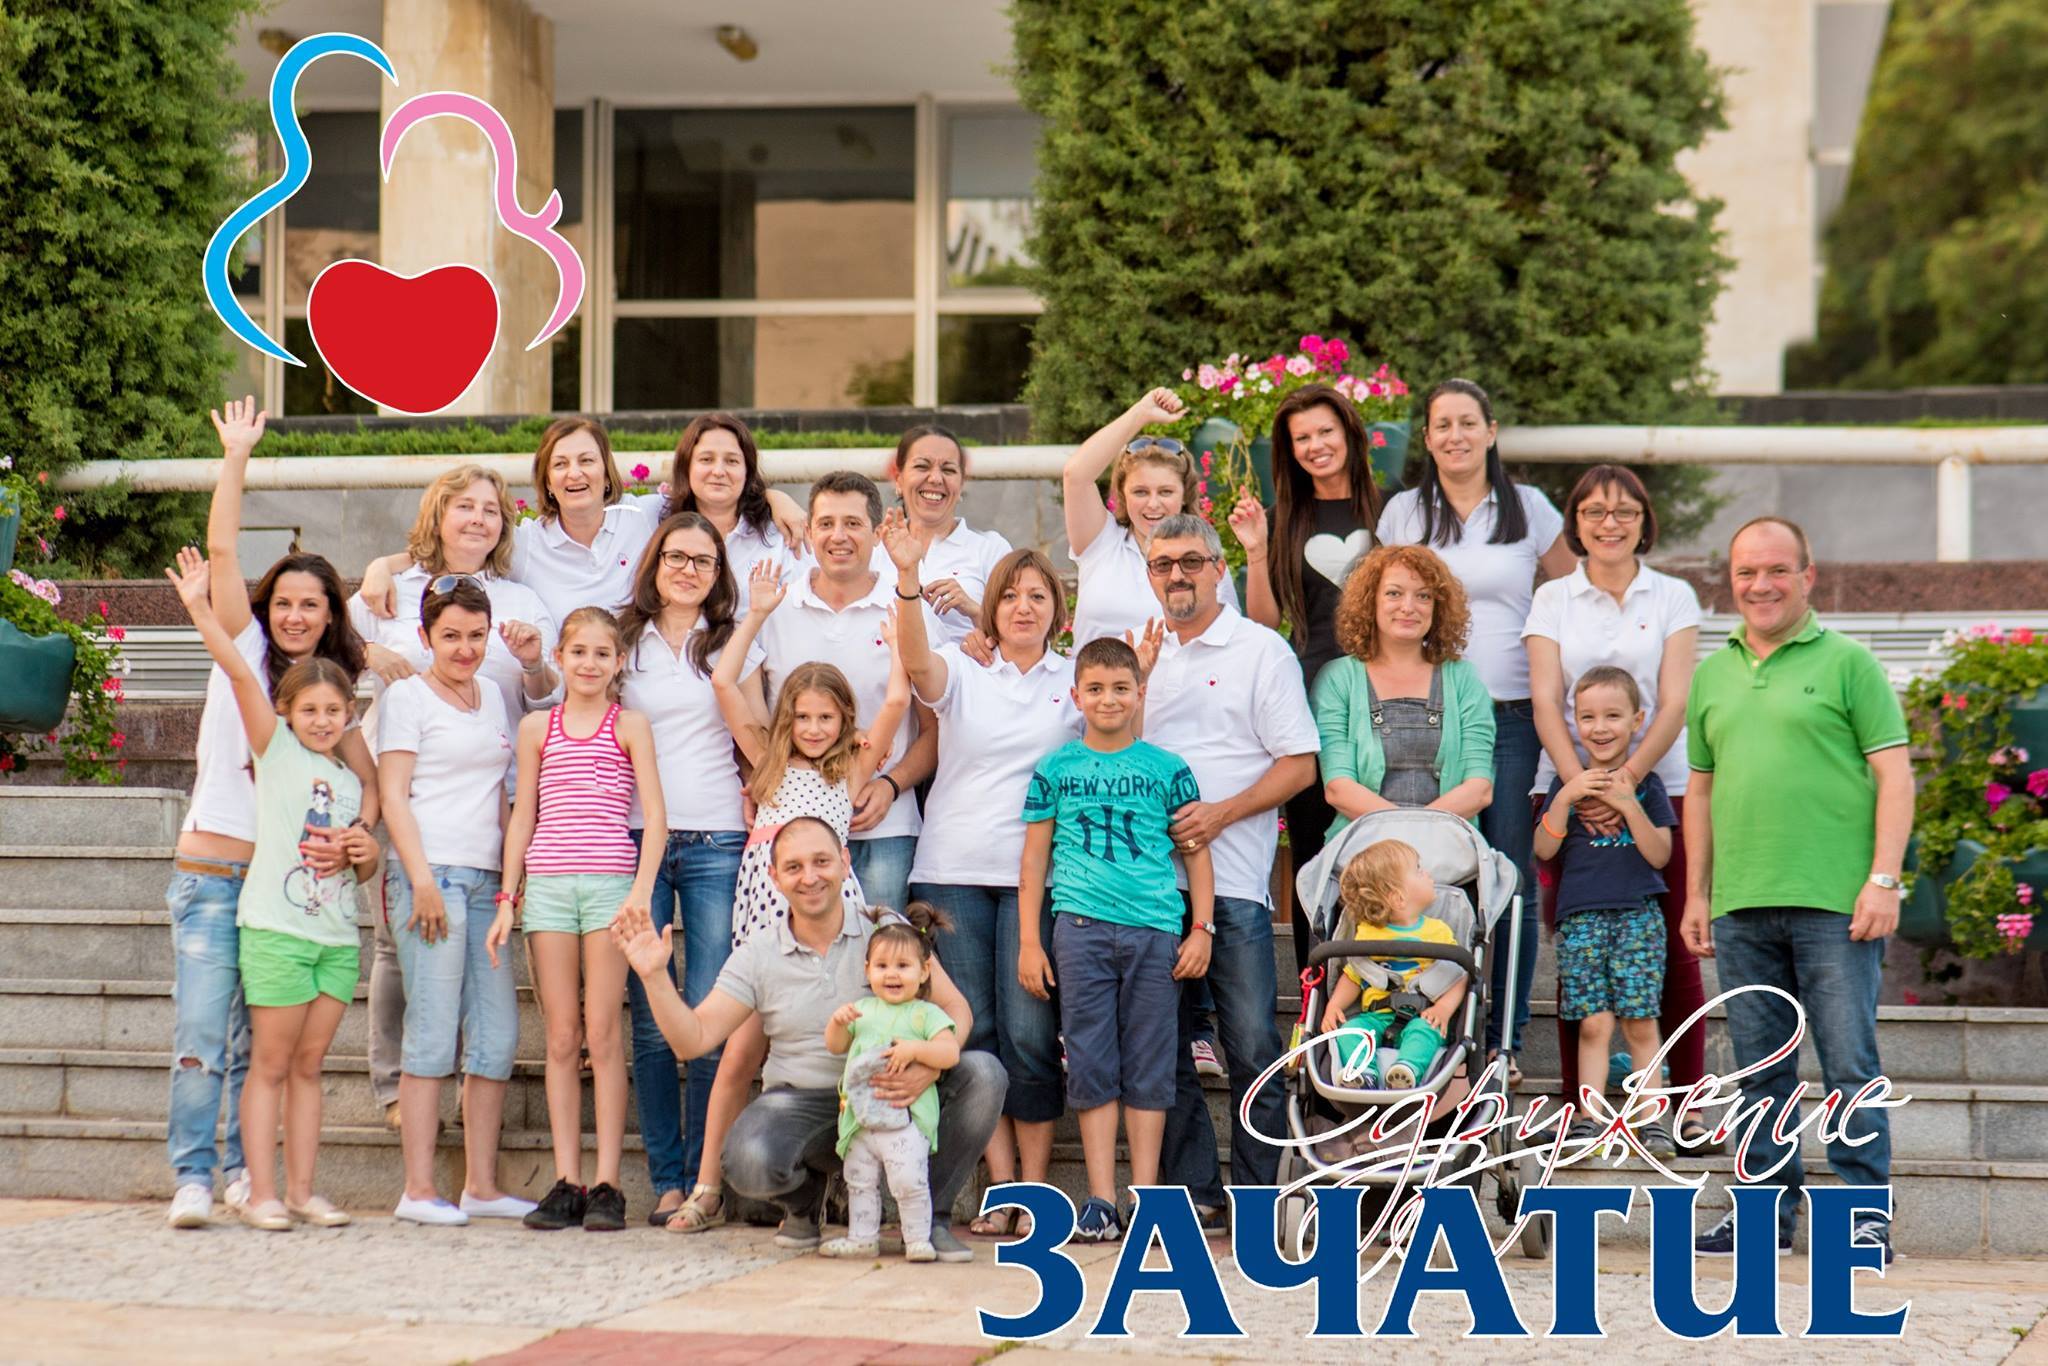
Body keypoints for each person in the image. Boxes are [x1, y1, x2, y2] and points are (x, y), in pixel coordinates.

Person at [613, 816, 1006, 1264]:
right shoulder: (758, 953)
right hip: (805, 1105)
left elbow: (957, 1009)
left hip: (893, 1091)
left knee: (984, 1074)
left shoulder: (883, 927)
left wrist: (929, 1065)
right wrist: (654, 977)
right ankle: (804, 1203)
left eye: (821, 861)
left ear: (844, 862)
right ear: (774, 876)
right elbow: (694, 1039)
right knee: (748, 1157)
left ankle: (929, 1218)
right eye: (794, 867)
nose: (810, 877)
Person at [165, 398, 372, 1231]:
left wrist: (361, 840)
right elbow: (222, 550)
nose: (294, 615)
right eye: (283, 601)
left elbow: (369, 787)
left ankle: (249, 1179)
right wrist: (236, 456)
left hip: (292, 896)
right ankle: (193, 1175)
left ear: (329, 615)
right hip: (216, 873)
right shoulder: (247, 654)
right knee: (202, 1036)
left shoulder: (329, 705)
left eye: (311, 605)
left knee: (263, 1048)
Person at [1681, 517, 1910, 1264]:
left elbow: (1895, 776)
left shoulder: (1850, 664)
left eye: (1777, 569)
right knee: (1759, 1072)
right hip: (1742, 904)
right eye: (1747, 572)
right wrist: (1697, 894)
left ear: (1808, 576)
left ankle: (1863, 1217)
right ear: (1731, 581)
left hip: (1836, 904)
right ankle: (1765, 1219)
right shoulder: (1713, 674)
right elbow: (1700, 791)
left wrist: (1883, 879)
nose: (1761, 585)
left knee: (1849, 1065)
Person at [883, 515, 1080, 1225]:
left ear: (1058, 612)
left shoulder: (1075, 680)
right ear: (990, 609)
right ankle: (1002, 1190)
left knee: (1031, 1035)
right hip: (952, 871)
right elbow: (917, 663)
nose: (1023, 607)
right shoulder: (963, 667)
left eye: (1038, 596)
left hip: (1040, 881)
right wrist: (908, 576)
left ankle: (1036, 1189)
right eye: (1011, 596)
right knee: (976, 1033)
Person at [352, 465, 559, 1128]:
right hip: (403, 789)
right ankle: (395, 1087)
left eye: (491, 510)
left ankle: (473, 1079)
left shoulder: (521, 598)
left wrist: (532, 661)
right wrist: (368, 651)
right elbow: (331, 640)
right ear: (438, 515)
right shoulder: (393, 586)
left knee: (477, 953)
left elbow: (546, 696)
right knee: (397, 945)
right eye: (464, 506)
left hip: (491, 791)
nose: (478, 519)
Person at [1376, 379, 1572, 1069]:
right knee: (1433, 871)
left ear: (1491, 431)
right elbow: (1383, 603)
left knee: (1508, 875)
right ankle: (1432, 1026)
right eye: (1441, 425)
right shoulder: (1405, 512)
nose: (1455, 436)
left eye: (1468, 423)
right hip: (1429, 715)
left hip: (1515, 717)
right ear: (1427, 438)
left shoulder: (1531, 509)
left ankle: (1502, 1039)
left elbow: (1569, 597)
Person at [1131, 515, 1318, 1233]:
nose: (1176, 575)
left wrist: (1221, 814)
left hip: (1234, 883)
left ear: (1218, 568)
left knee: (1253, 1047)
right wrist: (1140, 681)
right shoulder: (1140, 652)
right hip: (1148, 888)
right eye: (1162, 564)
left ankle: (1258, 1198)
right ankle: (1198, 1192)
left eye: (1190, 561)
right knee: (1161, 1048)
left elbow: (1299, 766)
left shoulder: (1259, 650)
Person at [1523, 463, 1708, 1145]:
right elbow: (1546, 700)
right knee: (1576, 946)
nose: (1610, 523)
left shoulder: (1673, 596)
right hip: (1565, 786)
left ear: (1643, 520)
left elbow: (1676, 700)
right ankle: (1583, 1107)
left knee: (1671, 949)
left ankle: (1683, 1103)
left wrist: (1626, 780)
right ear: (1575, 522)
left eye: (1624, 511)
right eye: (1594, 511)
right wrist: (1580, 784)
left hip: (1658, 784)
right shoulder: (1554, 598)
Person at [1019, 636, 1214, 1244]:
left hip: (1155, 929)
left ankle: (1147, 1198)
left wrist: (1202, 928)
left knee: (1151, 1062)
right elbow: (1034, 861)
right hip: (1079, 928)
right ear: (1075, 695)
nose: (1108, 699)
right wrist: (1029, 941)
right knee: (1091, 1060)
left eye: (1121, 688)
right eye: (1096, 689)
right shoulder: (1056, 768)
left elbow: (1196, 853)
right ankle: (1102, 1198)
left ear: (1140, 693)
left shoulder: (1167, 769)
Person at [490, 607, 667, 1233]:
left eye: (602, 653)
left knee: (604, 1033)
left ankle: (609, 1182)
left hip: (610, 889)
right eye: (578, 652)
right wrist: (508, 898)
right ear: (559, 658)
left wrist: (640, 893)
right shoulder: (537, 727)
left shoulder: (630, 725)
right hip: (548, 889)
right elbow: (523, 816)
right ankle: (566, 1179)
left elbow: (656, 818)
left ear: (618, 663)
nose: (589, 663)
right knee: (562, 1037)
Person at [615, 513, 762, 1229]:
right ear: (655, 561)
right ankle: (667, 1180)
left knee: (707, 1008)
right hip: (637, 840)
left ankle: (708, 1180)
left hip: (717, 838)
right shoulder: (623, 639)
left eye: (703, 560)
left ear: (718, 572)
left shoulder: (732, 639)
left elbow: (755, 732)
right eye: (676, 556)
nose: (687, 569)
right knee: (650, 1021)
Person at [375, 578, 533, 1226]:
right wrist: (420, 882)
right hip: (429, 876)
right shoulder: (407, 697)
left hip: (485, 879)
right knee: (434, 1031)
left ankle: (481, 1187)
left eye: (476, 635)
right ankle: (417, 1190)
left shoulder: (492, 694)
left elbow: (500, 795)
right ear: (425, 637)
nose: (465, 649)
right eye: (450, 637)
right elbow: (393, 795)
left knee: (496, 1035)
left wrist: (510, 885)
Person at [1230, 384, 1385, 959]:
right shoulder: (1283, 519)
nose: (1316, 445)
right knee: (1316, 848)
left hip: (1390, 693)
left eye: (1325, 431)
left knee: (1384, 841)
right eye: (1302, 438)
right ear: (1289, 451)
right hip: (1312, 697)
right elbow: (1264, 621)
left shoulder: (1392, 509)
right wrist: (1256, 550)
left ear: (1349, 433)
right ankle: (1315, 981)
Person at [750, 471, 937, 917]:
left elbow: (935, 729)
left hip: (884, 829)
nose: (838, 536)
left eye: (852, 523)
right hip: (793, 833)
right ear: (809, 531)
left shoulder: (908, 610)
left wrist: (891, 785)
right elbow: (754, 718)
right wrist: (758, 777)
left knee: (880, 952)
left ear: (876, 533)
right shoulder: (776, 608)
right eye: (826, 523)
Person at [1532, 667, 1677, 1157]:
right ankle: (1589, 1120)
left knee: (1640, 1021)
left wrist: (1628, 805)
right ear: (1574, 722)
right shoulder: (1565, 784)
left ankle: (1651, 1120)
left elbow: (1660, 854)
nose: (1600, 728)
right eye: (1588, 717)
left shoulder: (1649, 785)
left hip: (1638, 917)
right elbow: (1544, 850)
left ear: (1637, 721)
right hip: (1581, 920)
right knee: (1593, 1023)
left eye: (1613, 716)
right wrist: (1565, 798)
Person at [359, 418, 655, 625]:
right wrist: (381, 567)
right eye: (560, 464)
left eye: (587, 461)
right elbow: (456, 551)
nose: (574, 473)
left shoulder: (645, 515)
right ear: (548, 482)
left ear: (606, 472)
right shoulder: (527, 544)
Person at [1312, 544, 1496, 834]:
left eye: (1423, 596)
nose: (1408, 607)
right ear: (1370, 601)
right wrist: (1402, 835)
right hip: (1365, 845)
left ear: (1438, 607)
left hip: (1447, 843)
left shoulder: (1464, 679)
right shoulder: (1338, 679)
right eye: (1394, 593)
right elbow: (1339, 788)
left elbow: (1479, 788)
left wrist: (1419, 833)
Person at [820, 901, 962, 1261]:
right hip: (861, 1119)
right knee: (859, 1180)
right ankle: (862, 1237)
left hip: (905, 1119)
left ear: (924, 971)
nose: (892, 975)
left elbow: (949, 1053)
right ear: (867, 969)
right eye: (882, 966)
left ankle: (917, 1238)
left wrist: (916, 1050)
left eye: (903, 966)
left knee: (908, 1181)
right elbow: (836, 1046)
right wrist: (836, 1023)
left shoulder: (926, 1014)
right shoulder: (863, 1010)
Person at [1061, 387, 1240, 648]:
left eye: (1165, 492)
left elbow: (1229, 642)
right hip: (1095, 674)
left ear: (1184, 495)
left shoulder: (1205, 557)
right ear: (1123, 495)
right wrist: (1141, 413)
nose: (1153, 504)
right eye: (1140, 492)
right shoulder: (1101, 542)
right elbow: (1075, 475)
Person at [1319, 840, 1465, 1090]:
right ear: (1398, 898)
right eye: (1418, 870)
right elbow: (1354, 975)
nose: (1427, 873)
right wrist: (1334, 1006)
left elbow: (1457, 976)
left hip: (1423, 1014)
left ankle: (1406, 1069)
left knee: (1424, 1033)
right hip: (1376, 1015)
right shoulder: (1367, 934)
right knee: (1351, 1030)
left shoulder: (1438, 932)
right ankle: (1362, 1073)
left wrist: (1443, 1008)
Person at [635, 412, 808, 609]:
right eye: (706, 459)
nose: (718, 471)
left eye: (732, 461)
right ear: (687, 466)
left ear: (747, 471)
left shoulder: (780, 535)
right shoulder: (653, 515)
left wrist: (774, 497)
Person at [878, 425, 1012, 646]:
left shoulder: (991, 549)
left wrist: (974, 611)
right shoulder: (875, 549)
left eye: (948, 470)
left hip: (967, 667)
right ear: (899, 479)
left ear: (961, 483)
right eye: (922, 466)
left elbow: (1019, 638)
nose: (935, 478)